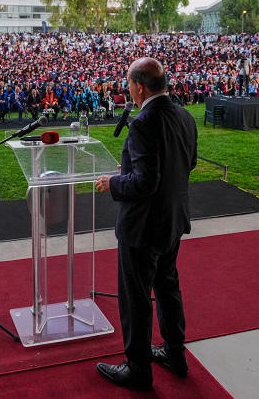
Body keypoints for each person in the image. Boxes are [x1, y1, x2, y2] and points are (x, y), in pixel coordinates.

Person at [94, 57, 198, 390]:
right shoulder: (184, 115)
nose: (127, 89)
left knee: (136, 298)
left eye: (128, 84)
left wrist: (113, 182)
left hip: (142, 227)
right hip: (173, 220)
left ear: (139, 87)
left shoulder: (143, 123)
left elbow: (144, 182)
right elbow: (188, 163)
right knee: (167, 288)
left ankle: (138, 368)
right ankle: (174, 353)